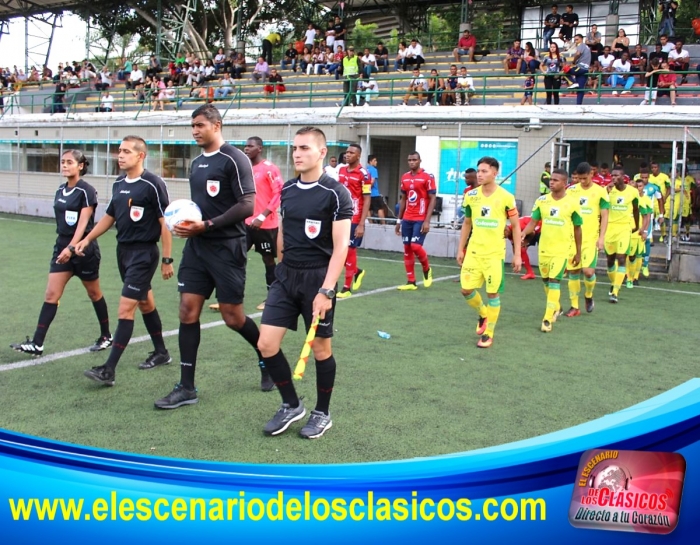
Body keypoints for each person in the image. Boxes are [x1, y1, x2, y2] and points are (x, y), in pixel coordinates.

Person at [153, 105, 265, 409]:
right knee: (188, 310)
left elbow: (247, 206)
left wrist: (208, 225)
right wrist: (188, 223)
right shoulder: (196, 163)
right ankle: (186, 387)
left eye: (200, 125)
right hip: (197, 248)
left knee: (233, 316)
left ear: (216, 125)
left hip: (227, 247)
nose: (194, 131)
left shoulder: (235, 158)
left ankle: (265, 355)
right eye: (192, 126)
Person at [257, 126, 352, 439]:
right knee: (266, 344)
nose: (297, 154)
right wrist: (281, 266)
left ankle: (322, 413)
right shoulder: (286, 190)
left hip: (317, 279)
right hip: (286, 276)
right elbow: (284, 230)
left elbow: (341, 247)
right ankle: (291, 404)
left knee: (321, 350)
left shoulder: (336, 193)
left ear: (321, 153)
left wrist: (326, 290)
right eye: (295, 148)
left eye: (305, 148)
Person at [76, 136, 173, 386]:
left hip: (144, 254)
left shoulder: (152, 183)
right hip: (123, 252)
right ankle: (162, 352)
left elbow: (165, 223)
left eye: (126, 151)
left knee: (125, 308)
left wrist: (167, 259)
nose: (120, 155)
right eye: (119, 151)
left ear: (141, 156)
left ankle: (108, 370)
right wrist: (86, 239)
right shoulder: (119, 182)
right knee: (144, 303)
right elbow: (109, 217)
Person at [10, 150, 112, 357]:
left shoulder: (86, 191)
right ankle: (37, 343)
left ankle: (106, 336)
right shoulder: (60, 189)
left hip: (83, 250)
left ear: (80, 166)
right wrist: (63, 247)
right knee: (51, 294)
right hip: (62, 247)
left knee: (94, 293)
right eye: (62, 162)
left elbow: (83, 225)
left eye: (69, 162)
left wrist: (72, 248)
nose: (64, 166)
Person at [458, 157, 522, 348]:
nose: (480, 174)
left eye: (484, 171)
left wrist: (517, 254)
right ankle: (483, 313)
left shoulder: (506, 197)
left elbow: (516, 226)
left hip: (494, 254)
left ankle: (489, 333)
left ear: (495, 173)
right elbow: (467, 223)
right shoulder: (471, 196)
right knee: (466, 290)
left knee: (492, 293)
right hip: (474, 252)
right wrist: (461, 248)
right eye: (479, 170)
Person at [522, 168, 582, 333]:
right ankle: (557, 307)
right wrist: (523, 233)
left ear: (564, 183)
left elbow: (578, 228)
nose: (552, 182)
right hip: (544, 248)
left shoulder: (572, 203)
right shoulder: (542, 201)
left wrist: (578, 251)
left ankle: (547, 319)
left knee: (555, 281)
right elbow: (533, 223)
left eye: (556, 180)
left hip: (562, 250)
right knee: (546, 281)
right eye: (551, 179)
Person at [563, 162, 610, 316]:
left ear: (591, 174)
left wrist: (601, 238)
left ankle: (588, 295)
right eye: (579, 178)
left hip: (590, 239)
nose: (582, 181)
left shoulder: (601, 191)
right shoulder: (571, 191)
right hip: (572, 239)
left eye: (584, 178)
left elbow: (604, 215)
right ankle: (574, 306)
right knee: (573, 271)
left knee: (588, 272)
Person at [244, 137, 284, 311]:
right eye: (245, 146)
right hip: (245, 223)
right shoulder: (244, 169)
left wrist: (262, 216)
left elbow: (279, 193)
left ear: (259, 148)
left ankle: (272, 297)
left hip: (265, 224)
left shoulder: (269, 169)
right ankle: (231, 296)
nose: (246, 149)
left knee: (268, 259)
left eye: (250, 146)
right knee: (235, 256)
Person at [393, 152, 436, 291]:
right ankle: (411, 281)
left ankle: (426, 269)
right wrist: (399, 220)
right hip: (407, 218)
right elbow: (403, 199)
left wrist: (427, 221)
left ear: (420, 161)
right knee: (407, 248)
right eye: (409, 160)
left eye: (414, 160)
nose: (411, 162)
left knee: (415, 246)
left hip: (420, 218)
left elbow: (433, 198)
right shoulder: (404, 177)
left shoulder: (427, 177)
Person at [336, 144, 371, 299]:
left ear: (358, 156)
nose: (347, 155)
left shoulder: (364, 174)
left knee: (349, 250)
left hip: (355, 218)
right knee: (336, 250)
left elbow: (367, 198)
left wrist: (362, 223)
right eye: (347, 152)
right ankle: (357, 271)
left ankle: (346, 287)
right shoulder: (341, 170)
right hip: (340, 216)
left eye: (351, 153)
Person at [604, 165, 639, 303]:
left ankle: (615, 292)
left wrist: (636, 225)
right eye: (612, 175)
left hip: (624, 228)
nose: (613, 178)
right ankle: (614, 283)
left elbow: (636, 209)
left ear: (623, 177)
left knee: (621, 258)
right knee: (610, 260)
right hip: (610, 228)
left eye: (616, 175)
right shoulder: (607, 191)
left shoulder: (632, 192)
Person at [626, 180, 653, 287]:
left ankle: (635, 277)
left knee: (638, 255)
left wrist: (644, 230)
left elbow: (647, 217)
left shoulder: (644, 200)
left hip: (638, 232)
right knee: (627, 255)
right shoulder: (626, 200)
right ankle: (628, 277)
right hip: (626, 231)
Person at [505, 215, 540, 280]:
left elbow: (532, 232)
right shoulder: (509, 234)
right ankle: (530, 273)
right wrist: (515, 257)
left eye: (504, 234)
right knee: (522, 249)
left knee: (544, 251)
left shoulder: (518, 226)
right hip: (531, 232)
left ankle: (564, 269)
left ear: (507, 229)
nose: (504, 236)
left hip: (540, 228)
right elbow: (514, 245)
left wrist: (526, 242)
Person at [567, 34, 591, 105]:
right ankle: (579, 104)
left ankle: (574, 82)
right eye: (575, 40)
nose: (576, 41)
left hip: (580, 67)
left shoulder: (581, 45)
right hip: (586, 69)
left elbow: (578, 54)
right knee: (580, 88)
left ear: (581, 39)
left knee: (565, 70)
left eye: (577, 39)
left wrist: (573, 61)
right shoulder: (587, 47)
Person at [367, 154, 385, 224]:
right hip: (374, 193)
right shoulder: (373, 169)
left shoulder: (366, 169)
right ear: (370, 161)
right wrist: (369, 188)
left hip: (367, 194)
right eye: (375, 160)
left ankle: (371, 224)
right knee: (380, 209)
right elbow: (372, 181)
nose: (376, 162)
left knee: (368, 209)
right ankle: (384, 225)